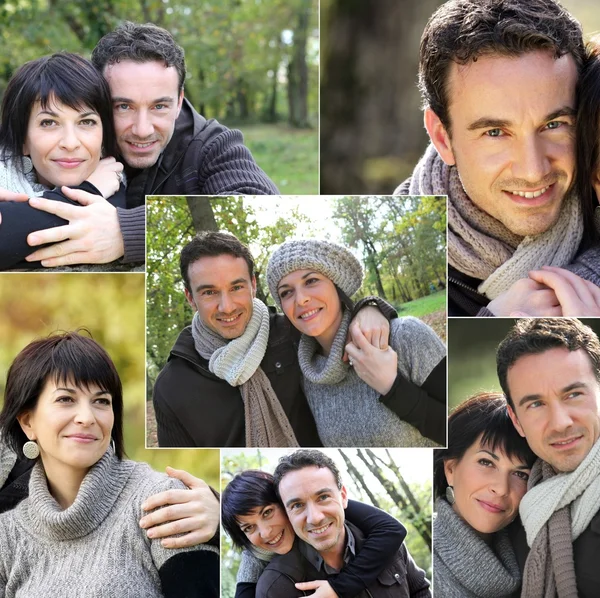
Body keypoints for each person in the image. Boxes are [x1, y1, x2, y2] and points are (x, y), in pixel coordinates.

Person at [7, 22, 279, 267]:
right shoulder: (79, 149)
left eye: (159, 106)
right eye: (123, 106)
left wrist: (129, 231)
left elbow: (259, 208)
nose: (142, 129)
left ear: (179, 100)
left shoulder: (211, 146)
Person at [394, 0, 591, 316]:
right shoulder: (411, 254)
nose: (532, 170)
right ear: (443, 138)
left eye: (554, 125)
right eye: (496, 132)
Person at [0, 331, 219, 597]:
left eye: (101, 401)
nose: (87, 417)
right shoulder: (7, 537)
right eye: (65, 399)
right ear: (27, 422)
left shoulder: (162, 502)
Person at [152, 231, 396, 448]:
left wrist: (371, 307)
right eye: (209, 292)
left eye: (236, 287)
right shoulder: (173, 386)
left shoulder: (292, 332)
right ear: (190, 298)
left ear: (253, 285)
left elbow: (335, 316)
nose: (226, 307)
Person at [266, 239, 446, 446]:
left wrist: (393, 387)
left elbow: (464, 427)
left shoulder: (405, 336)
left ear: (336, 285)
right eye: (286, 292)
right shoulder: (304, 374)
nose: (300, 299)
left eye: (311, 281)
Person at [496, 318, 600, 597]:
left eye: (574, 394)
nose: (560, 422)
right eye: (536, 404)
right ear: (516, 420)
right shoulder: (513, 507)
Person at [0, 52, 127, 270]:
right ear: (23, 140)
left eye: (86, 122)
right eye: (49, 123)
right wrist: (90, 190)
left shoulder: (113, 179)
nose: (70, 142)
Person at [255, 449, 431, 598]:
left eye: (323, 497)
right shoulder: (275, 587)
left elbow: (420, 590)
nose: (315, 518)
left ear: (344, 496)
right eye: (297, 505)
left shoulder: (387, 544)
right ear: (287, 514)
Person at [222, 469, 408, 598]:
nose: (266, 533)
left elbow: (393, 529)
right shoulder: (254, 558)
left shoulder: (326, 512)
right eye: (248, 528)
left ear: (285, 502)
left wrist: (339, 588)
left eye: (268, 513)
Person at [433, 392, 536, 597]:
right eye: (486, 462)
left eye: (520, 474)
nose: (501, 488)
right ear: (451, 469)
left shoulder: (532, 553)